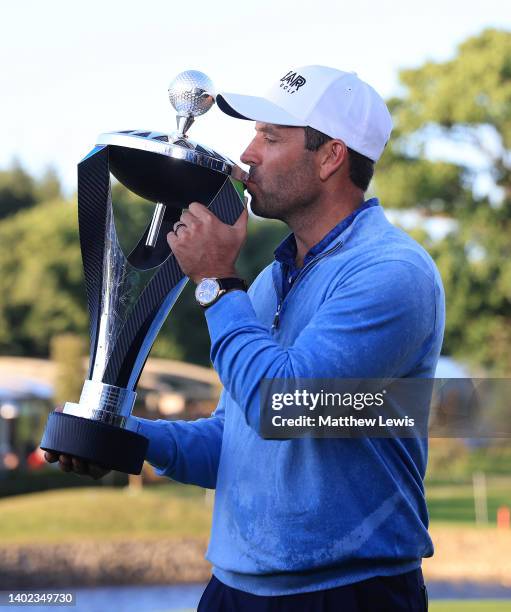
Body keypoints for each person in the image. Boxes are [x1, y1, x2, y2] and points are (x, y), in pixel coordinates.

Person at [46, 65, 444, 611]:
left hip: (348, 594)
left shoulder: (391, 272)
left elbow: (285, 408)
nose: (248, 153)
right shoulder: (270, 281)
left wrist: (214, 280)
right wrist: (120, 435)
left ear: (331, 157)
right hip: (234, 590)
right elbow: (233, 445)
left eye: (270, 136)